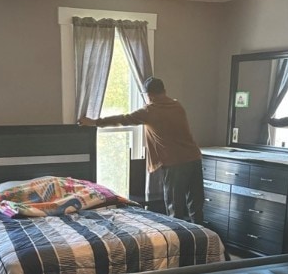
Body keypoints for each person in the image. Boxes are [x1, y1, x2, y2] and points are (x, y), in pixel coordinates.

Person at [78, 77, 204, 224]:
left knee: (175, 207)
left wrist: (94, 122)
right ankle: (201, 239)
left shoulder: (150, 111)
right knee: (196, 205)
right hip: (194, 158)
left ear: (148, 95)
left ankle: (179, 240)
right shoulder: (177, 106)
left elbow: (123, 119)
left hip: (174, 163)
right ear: (164, 91)